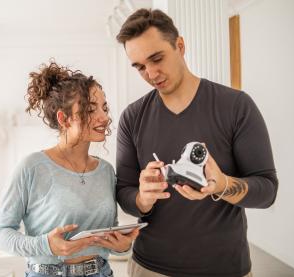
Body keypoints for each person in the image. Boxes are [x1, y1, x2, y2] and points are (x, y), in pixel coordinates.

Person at [114, 9, 278, 277]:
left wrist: (222, 185)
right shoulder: (132, 117)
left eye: (157, 58)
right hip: (149, 268)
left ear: (180, 46)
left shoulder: (236, 106)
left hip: (225, 269)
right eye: (140, 66)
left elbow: (268, 191)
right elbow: (124, 193)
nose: (151, 73)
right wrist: (142, 198)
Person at [0, 61, 139, 277]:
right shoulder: (31, 167)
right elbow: (0, 235)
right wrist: (46, 246)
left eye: (104, 108)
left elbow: (108, 234)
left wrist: (122, 246)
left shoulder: (106, 171)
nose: (105, 117)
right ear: (64, 118)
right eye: (90, 109)